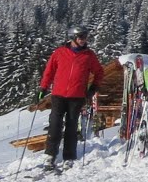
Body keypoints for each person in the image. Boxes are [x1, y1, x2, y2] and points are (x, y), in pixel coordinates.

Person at [40, 26, 104, 172]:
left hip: (77, 96)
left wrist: (93, 88)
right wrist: (43, 88)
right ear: (73, 38)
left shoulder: (89, 55)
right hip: (58, 95)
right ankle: (50, 155)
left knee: (71, 126)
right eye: (81, 37)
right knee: (55, 125)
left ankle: (69, 157)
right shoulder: (60, 53)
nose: (84, 40)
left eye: (85, 37)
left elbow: (99, 72)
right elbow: (49, 71)